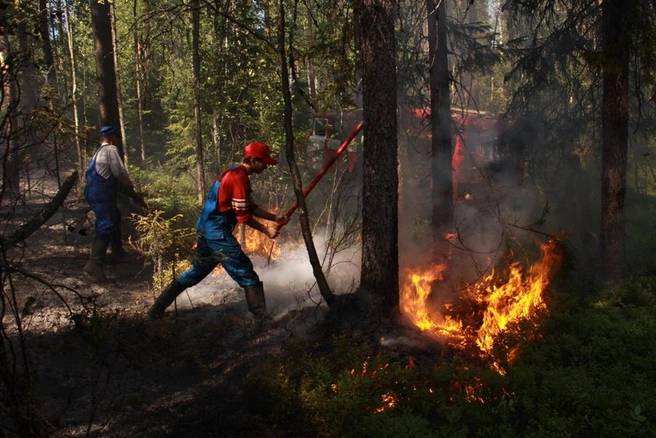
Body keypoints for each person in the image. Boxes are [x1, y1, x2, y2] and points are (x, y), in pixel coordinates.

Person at [148, 141, 289, 321]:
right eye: (264, 163)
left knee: (196, 272)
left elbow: (247, 206)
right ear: (253, 160)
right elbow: (243, 217)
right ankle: (262, 318)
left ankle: (156, 310)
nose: (266, 167)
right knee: (245, 271)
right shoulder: (239, 178)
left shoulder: (232, 172)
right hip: (217, 232)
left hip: (205, 229)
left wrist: (274, 218)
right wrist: (265, 230)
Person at [83, 125, 148, 281]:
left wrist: (129, 193)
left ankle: (118, 253)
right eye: (117, 138)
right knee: (105, 224)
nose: (118, 142)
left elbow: (108, 176)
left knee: (115, 217)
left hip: (95, 192)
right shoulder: (110, 150)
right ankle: (94, 264)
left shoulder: (98, 152)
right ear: (112, 138)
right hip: (101, 193)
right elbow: (119, 172)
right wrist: (131, 188)